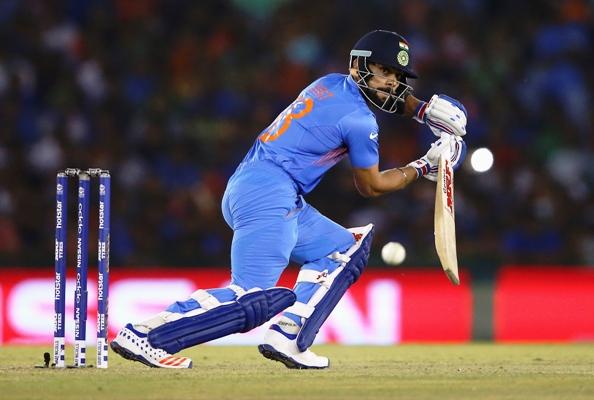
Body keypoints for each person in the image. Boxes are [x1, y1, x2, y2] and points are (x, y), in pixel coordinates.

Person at [111, 29, 467, 369]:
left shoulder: (327, 84)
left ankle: (291, 336)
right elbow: (370, 186)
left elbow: (385, 98)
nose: (392, 81)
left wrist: (421, 110)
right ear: (359, 66)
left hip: (264, 189)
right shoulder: (360, 120)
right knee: (250, 298)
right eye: (385, 71)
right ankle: (146, 334)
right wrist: (423, 167)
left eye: (398, 75)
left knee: (343, 248)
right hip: (269, 195)